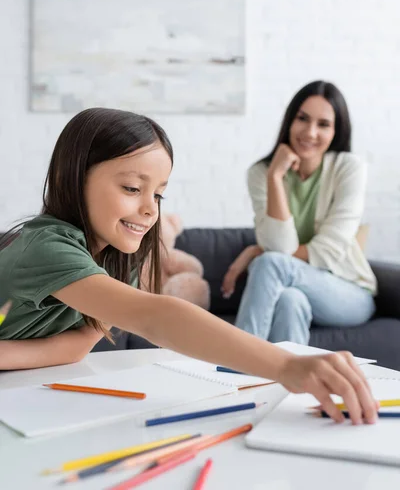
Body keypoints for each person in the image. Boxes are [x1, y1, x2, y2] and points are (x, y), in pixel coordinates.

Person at [0, 107, 377, 425]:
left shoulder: (116, 259)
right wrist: (286, 366)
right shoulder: (46, 246)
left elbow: (78, 346)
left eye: (159, 193)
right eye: (132, 188)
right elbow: (153, 317)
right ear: (74, 178)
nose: (151, 208)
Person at [221, 81, 377, 347]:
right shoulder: (261, 173)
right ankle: (291, 387)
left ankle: (238, 363)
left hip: (349, 292)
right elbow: (279, 246)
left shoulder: (349, 168)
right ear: (289, 121)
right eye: (302, 119)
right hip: (297, 288)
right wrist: (275, 176)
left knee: (269, 262)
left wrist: (255, 252)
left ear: (336, 131)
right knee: (290, 300)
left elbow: (328, 249)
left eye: (323, 124)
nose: (310, 132)